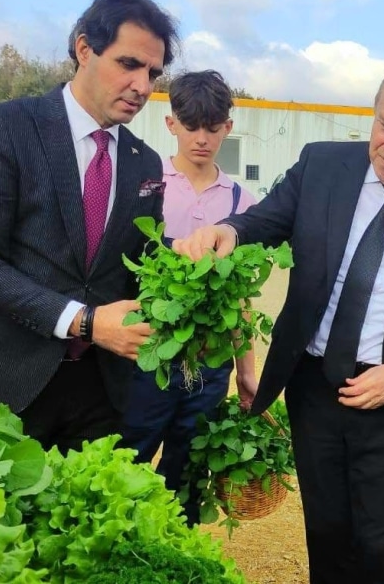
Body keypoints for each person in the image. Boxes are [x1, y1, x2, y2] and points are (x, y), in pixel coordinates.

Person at [175, 61, 384, 584]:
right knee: (325, 534)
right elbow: (267, 219)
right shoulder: (321, 166)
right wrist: (228, 232)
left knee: (380, 548)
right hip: (314, 387)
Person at [0, 0, 180, 453]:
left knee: (87, 523)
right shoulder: (5, 127)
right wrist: (84, 322)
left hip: (100, 392)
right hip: (2, 383)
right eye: (129, 64)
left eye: (153, 72)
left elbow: (141, 265)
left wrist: (190, 290)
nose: (144, 87)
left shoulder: (143, 162)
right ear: (85, 49)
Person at [119, 69, 259, 524]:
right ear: (171, 123)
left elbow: (240, 298)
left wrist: (246, 373)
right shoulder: (145, 183)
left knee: (187, 470)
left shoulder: (242, 201)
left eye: (212, 127)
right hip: (147, 356)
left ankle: (173, 552)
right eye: (191, 124)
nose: (201, 138)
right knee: (129, 460)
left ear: (227, 128)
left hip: (209, 364)